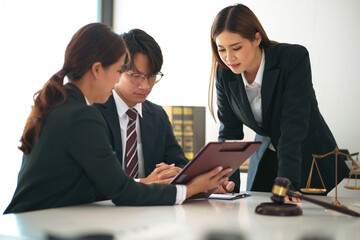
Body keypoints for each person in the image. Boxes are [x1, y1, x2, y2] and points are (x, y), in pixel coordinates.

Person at [4, 23, 232, 214]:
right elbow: (121, 190)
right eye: (119, 71)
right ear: (96, 70)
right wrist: (191, 189)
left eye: (151, 77)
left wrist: (200, 180)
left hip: (44, 220)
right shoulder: (82, 116)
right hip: (38, 225)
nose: (115, 81)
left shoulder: (62, 105)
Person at [208, 4, 349, 198]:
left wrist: (287, 183)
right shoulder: (225, 74)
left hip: (305, 157)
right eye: (221, 49)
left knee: (307, 223)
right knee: (259, 217)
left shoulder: (293, 59)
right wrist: (226, 182)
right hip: (266, 156)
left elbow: (293, 126)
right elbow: (229, 134)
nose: (228, 57)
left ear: (257, 38)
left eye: (236, 48)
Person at [94, 28, 235, 193]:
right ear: (117, 70)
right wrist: (143, 183)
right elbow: (97, 179)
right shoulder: (94, 111)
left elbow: (179, 163)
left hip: (152, 212)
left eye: (151, 76)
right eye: (136, 76)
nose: (145, 86)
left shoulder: (156, 115)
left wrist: (207, 183)